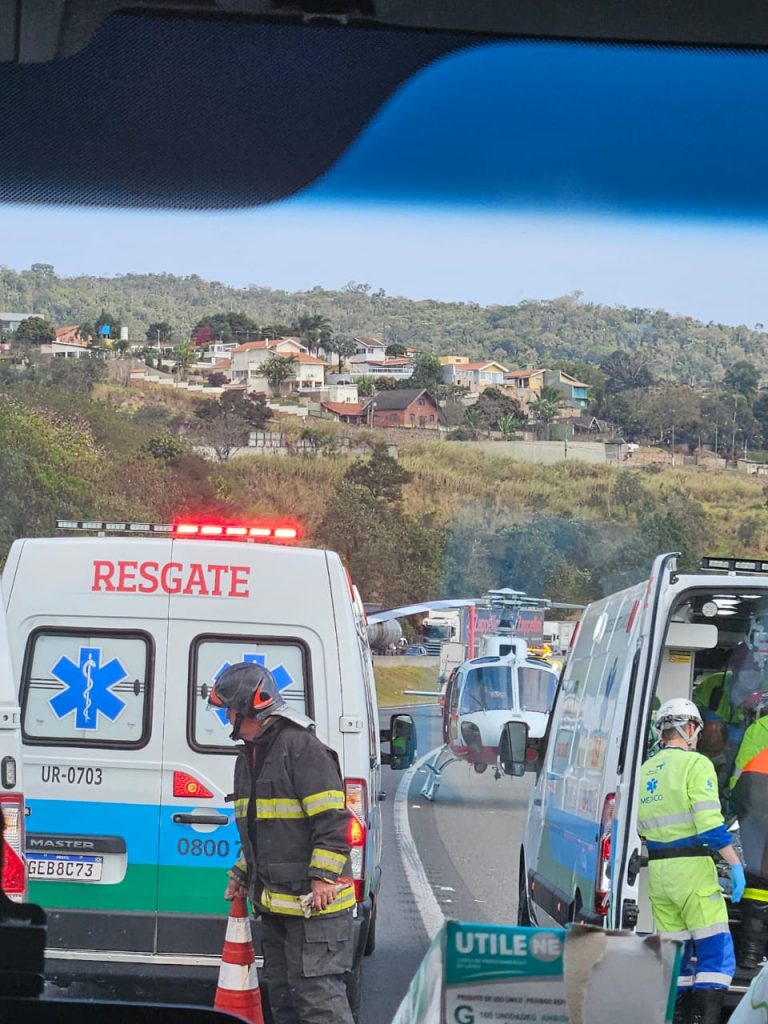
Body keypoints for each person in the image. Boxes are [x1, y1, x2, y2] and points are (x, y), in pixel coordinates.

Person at [208, 662, 355, 1024]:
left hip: (315, 907)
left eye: (228, 708)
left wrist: (322, 877)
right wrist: (242, 873)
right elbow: (261, 829)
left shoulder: (300, 747)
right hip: (277, 906)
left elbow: (334, 821)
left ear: (248, 706)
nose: (226, 716)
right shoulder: (251, 754)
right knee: (285, 1000)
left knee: (318, 1001)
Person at [637, 698, 745, 1024]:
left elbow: (640, 827)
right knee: (716, 953)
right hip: (692, 873)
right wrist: (735, 864)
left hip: (659, 873)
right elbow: (710, 826)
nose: (696, 736)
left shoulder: (645, 769)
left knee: (677, 955)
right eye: (695, 730)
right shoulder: (696, 765)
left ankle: (679, 1019)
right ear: (687, 728)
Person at [730, 691, 768, 971]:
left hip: (753, 797)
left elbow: (737, 778)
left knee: (759, 876)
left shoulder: (758, 728)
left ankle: (750, 954)